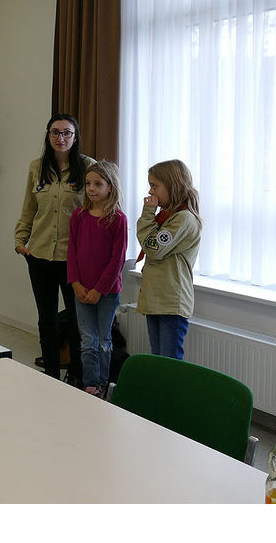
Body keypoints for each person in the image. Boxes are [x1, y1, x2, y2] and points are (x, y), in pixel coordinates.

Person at [14, 114, 94, 383]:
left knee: (76, 319)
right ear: (48, 136)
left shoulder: (88, 168)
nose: (61, 138)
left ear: (75, 136)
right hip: (40, 255)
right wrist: (20, 240)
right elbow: (29, 208)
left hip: (75, 260)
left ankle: (76, 374)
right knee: (46, 318)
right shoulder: (37, 167)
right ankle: (49, 373)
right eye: (55, 132)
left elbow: (99, 212)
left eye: (67, 133)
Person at [67, 160, 127, 398]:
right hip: (81, 289)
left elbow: (117, 260)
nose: (91, 189)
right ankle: (90, 383)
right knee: (87, 339)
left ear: (110, 187)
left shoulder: (117, 219)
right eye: (88, 184)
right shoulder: (79, 216)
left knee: (103, 339)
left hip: (107, 293)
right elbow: (71, 252)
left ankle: (102, 383)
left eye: (97, 184)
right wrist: (76, 283)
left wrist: (99, 290)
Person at [136, 159, 202, 360]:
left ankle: (170, 393)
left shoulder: (183, 219)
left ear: (172, 185)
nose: (150, 192)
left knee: (169, 362)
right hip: (158, 299)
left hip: (171, 301)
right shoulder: (167, 216)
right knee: (158, 359)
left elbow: (153, 249)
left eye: (155, 186)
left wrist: (148, 213)